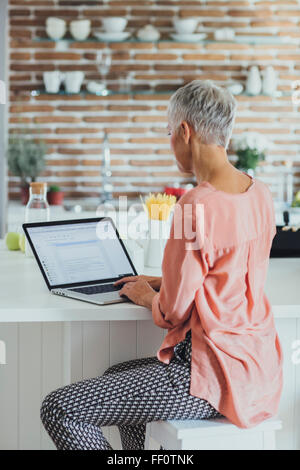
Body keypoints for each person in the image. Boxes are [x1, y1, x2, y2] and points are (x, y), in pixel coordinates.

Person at [41, 80, 283, 450]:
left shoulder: (194, 205)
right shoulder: (260, 192)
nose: (171, 143)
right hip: (258, 369)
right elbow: (228, 271)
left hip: (207, 377)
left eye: (170, 133)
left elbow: (172, 312)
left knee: (60, 408)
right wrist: (162, 278)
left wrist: (144, 295)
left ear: (185, 132)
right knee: (114, 375)